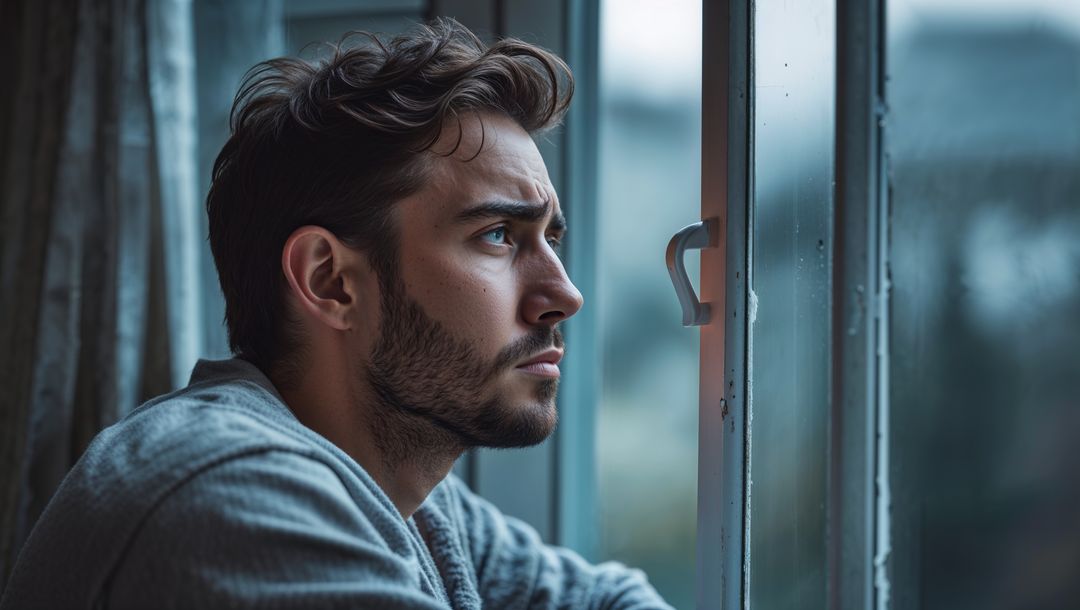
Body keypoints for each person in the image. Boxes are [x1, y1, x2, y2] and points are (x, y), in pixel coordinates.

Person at [0, 18, 671, 610]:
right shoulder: (232, 492)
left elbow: (604, 597)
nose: (565, 294)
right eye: (498, 235)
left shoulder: (412, 494)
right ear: (331, 280)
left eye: (550, 239)